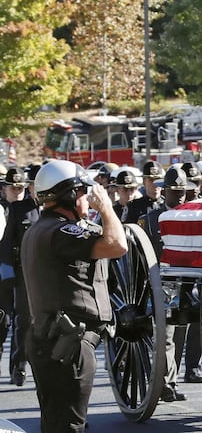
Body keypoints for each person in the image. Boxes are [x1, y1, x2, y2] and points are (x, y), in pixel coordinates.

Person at [21, 160, 127, 432]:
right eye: (81, 192)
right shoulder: (61, 232)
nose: (86, 198)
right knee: (69, 426)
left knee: (56, 423)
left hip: (50, 338)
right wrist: (106, 209)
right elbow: (117, 245)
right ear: (67, 195)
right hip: (69, 344)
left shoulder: (40, 229)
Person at [138, 166, 198, 399]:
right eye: (174, 191)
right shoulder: (151, 220)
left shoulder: (193, 216)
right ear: (164, 192)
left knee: (181, 333)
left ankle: (172, 378)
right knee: (166, 335)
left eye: (183, 191)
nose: (180, 195)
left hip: (189, 281)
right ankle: (166, 383)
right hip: (163, 281)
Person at [0, 164, 41, 386]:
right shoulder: (19, 210)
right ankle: (19, 366)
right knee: (24, 321)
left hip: (47, 274)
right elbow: (6, 244)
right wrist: (7, 274)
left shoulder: (52, 209)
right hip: (23, 273)